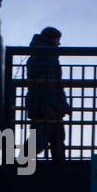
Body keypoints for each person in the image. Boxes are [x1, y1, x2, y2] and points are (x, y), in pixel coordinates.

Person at [25, 26, 70, 161]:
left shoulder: (38, 55)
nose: (59, 44)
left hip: (40, 104)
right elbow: (49, 85)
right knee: (45, 139)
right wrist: (54, 106)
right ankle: (22, 162)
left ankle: (22, 161)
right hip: (47, 106)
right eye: (58, 40)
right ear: (52, 39)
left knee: (50, 138)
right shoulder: (47, 57)